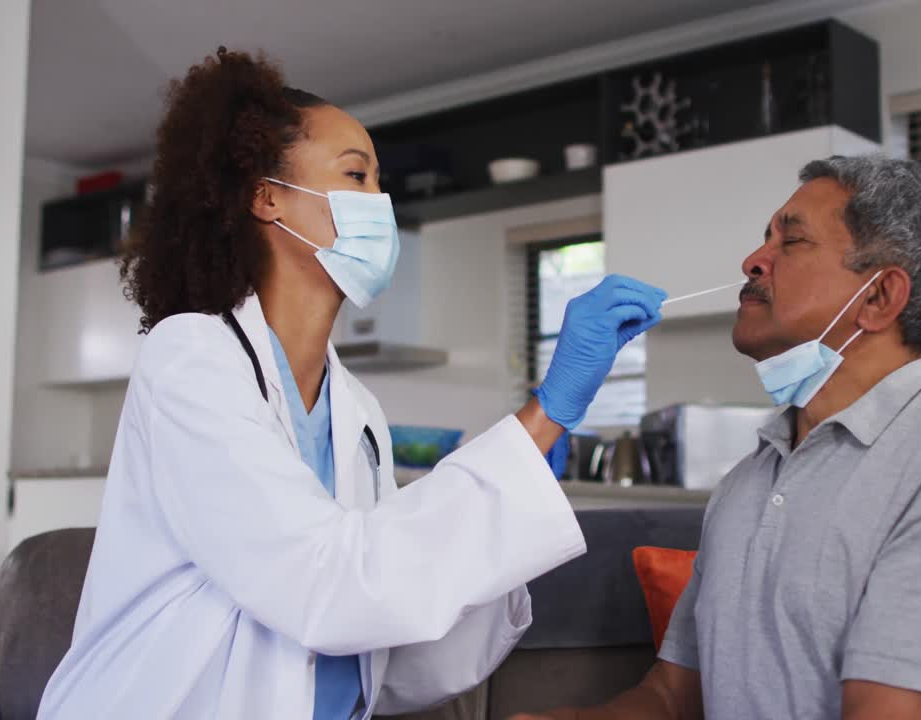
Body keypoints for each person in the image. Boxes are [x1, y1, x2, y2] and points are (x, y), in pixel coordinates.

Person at [36, 48, 667, 719]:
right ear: (267, 197)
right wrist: (544, 415)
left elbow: (385, 647)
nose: (380, 204)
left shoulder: (356, 413)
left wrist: (504, 512)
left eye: (378, 182)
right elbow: (324, 584)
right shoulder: (192, 360)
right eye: (356, 176)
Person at [515, 156, 921, 720]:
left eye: (790, 242)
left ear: (877, 298)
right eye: (763, 239)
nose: (752, 261)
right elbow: (673, 697)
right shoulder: (748, 482)